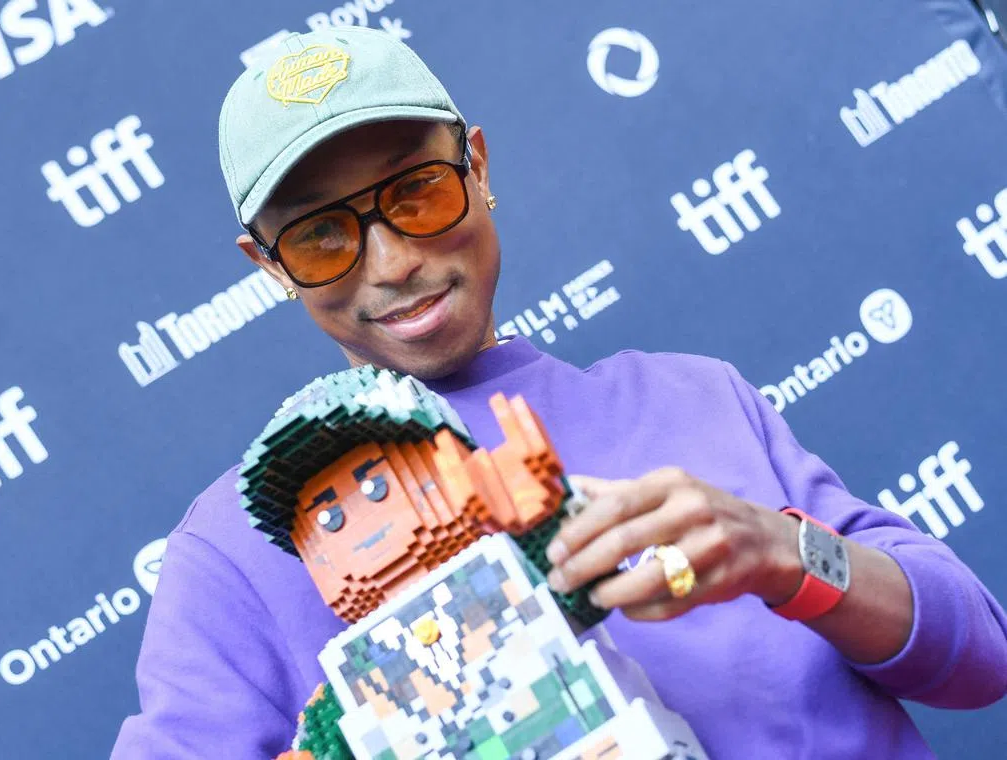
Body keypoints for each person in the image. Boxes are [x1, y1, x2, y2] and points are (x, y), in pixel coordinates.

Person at [111, 27, 1007, 759]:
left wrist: (782, 553)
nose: (391, 263)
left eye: (417, 192)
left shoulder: (694, 397)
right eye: (319, 237)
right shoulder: (231, 553)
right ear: (269, 269)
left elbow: (978, 658)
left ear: (478, 167)